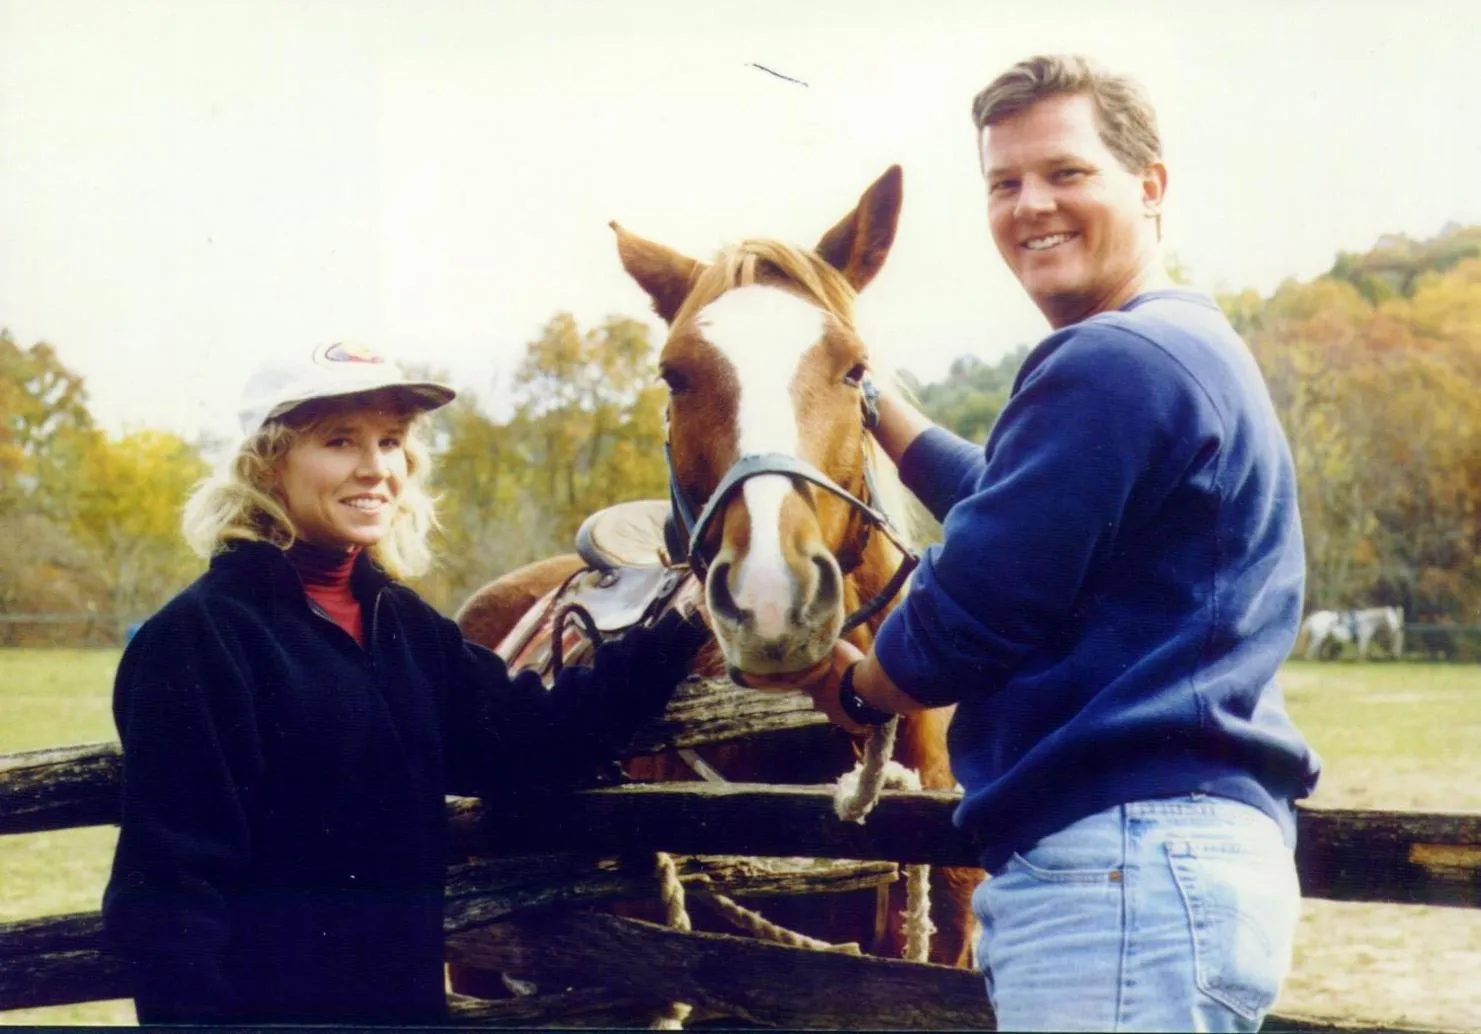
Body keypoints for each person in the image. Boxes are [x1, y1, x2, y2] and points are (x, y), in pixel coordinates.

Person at [751, 55, 1323, 1032]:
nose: (1029, 206)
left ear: (1148, 187)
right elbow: (1019, 514)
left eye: (1065, 172)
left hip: (1121, 866)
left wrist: (852, 687)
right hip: (1168, 860)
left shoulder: (1105, 360)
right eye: (1003, 182)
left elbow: (972, 605)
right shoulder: (1177, 345)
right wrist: (875, 401)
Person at [102, 341, 708, 1025]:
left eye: (391, 442)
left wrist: (683, 629)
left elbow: (533, 741)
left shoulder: (401, 623)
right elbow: (170, 895)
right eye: (339, 441)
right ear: (268, 466)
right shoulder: (202, 638)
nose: (375, 469)